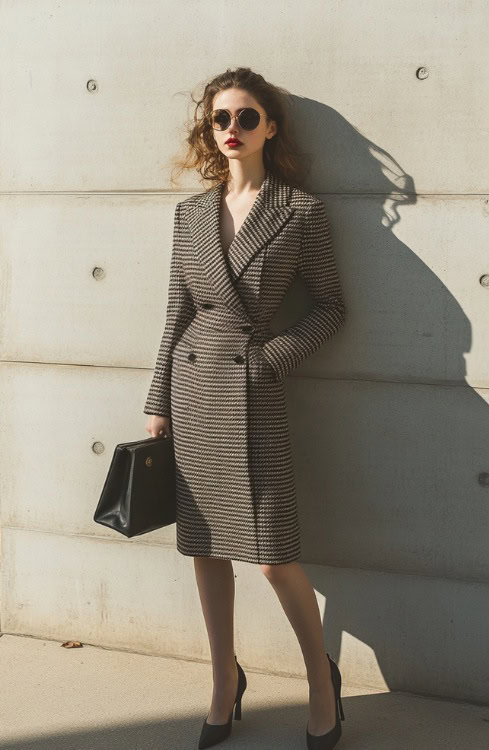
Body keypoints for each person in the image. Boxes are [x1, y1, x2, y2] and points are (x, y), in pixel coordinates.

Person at [144, 66, 346, 750]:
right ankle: (223, 683)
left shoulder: (300, 210)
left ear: (271, 127)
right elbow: (176, 314)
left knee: (272, 556)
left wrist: (270, 360)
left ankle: (322, 682)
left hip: (254, 392)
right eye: (220, 119)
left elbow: (330, 308)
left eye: (246, 117)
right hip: (196, 389)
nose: (231, 130)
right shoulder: (190, 214)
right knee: (204, 550)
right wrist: (156, 401)